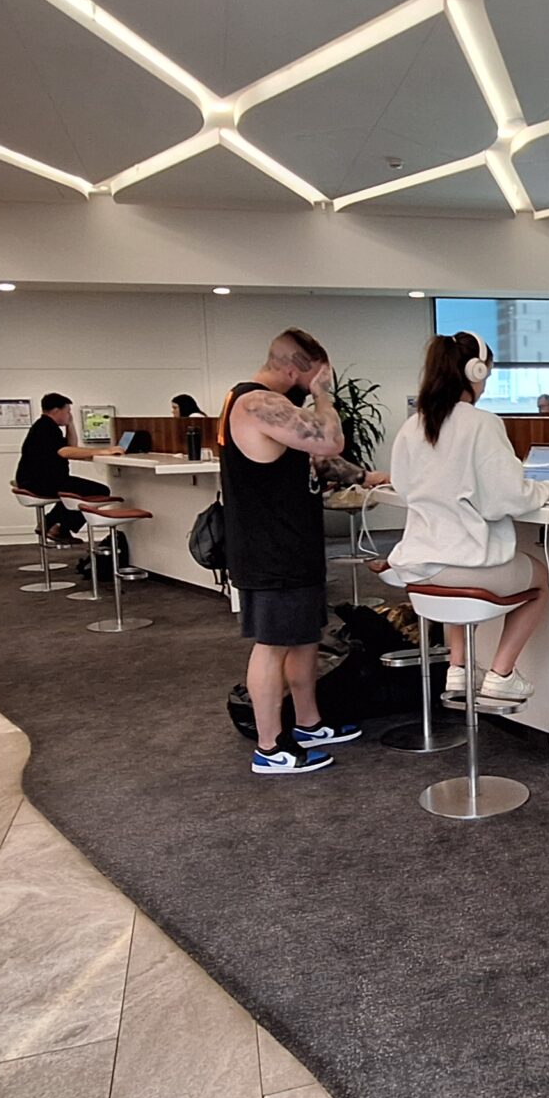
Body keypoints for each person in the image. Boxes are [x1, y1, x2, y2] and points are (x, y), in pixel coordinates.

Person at [223, 329, 387, 774]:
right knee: (273, 645)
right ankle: (270, 747)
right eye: (314, 378)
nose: (317, 387)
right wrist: (323, 396)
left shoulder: (271, 409)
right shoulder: (255, 402)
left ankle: (309, 723)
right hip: (270, 550)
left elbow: (316, 459)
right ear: (295, 371)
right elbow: (328, 440)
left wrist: (368, 477)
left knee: (302, 638)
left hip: (292, 547)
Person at [384, 332, 549, 703]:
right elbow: (507, 498)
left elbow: (402, 486)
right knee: (540, 578)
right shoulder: (481, 423)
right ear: (475, 371)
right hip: (459, 566)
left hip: (419, 565)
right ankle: (501, 674)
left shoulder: (413, 425)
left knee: (455, 559)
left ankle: (459, 668)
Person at [16, 393, 124, 541]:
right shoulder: (47, 428)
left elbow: (71, 446)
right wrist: (103, 451)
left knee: (76, 491)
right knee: (99, 490)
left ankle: (50, 523)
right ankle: (60, 528)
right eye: (67, 411)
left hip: (38, 480)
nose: (69, 415)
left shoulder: (44, 426)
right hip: (40, 482)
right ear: (56, 411)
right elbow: (65, 452)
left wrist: (70, 424)